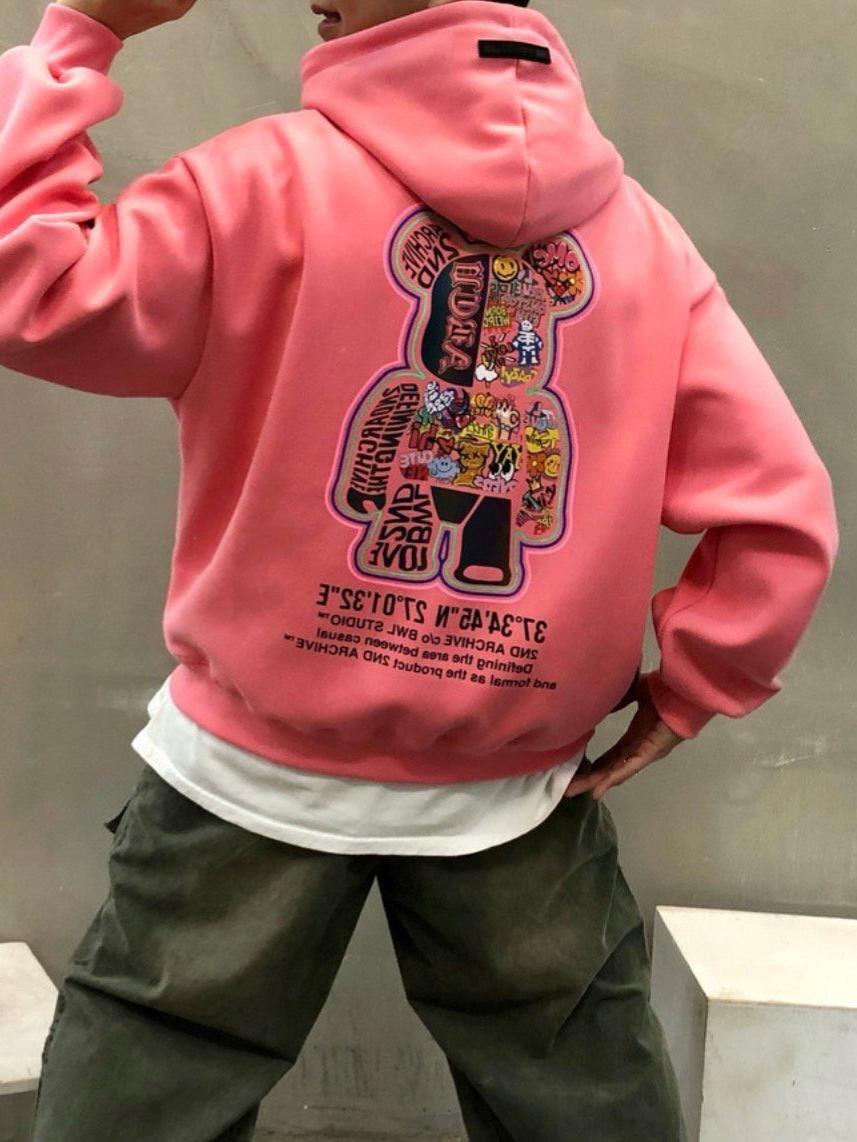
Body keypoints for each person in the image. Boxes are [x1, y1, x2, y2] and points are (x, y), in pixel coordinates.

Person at [0, 1, 838, 1139]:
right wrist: (693, 686)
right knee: (575, 1097)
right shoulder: (646, 246)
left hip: (248, 768)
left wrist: (81, 34)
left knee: (147, 1087)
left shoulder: (257, 187)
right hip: (514, 787)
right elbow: (778, 510)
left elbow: (30, 283)